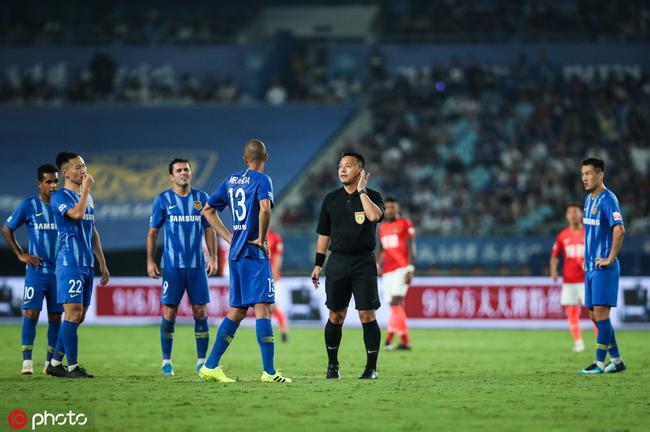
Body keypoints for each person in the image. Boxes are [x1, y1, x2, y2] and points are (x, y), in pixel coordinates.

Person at [199, 139, 292, 384]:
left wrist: (229, 237)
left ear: (244, 159)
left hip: (236, 255)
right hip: (254, 254)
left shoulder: (231, 180)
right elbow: (265, 209)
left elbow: (207, 210)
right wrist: (261, 238)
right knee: (264, 309)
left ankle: (210, 366)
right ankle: (269, 372)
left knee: (238, 311)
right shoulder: (263, 180)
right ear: (266, 157)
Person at [311, 151, 385, 380]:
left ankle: (371, 368)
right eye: (340, 166)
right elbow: (324, 234)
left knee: (367, 315)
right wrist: (318, 264)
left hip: (364, 262)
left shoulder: (373, 196)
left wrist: (362, 191)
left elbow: (374, 217)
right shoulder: (331, 199)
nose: (342, 170)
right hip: (338, 262)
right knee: (335, 315)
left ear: (360, 171)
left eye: (348, 166)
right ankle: (333, 366)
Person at [147, 158, 218, 376]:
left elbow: (209, 229)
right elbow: (153, 232)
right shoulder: (163, 199)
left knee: (200, 311)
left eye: (186, 169)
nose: (183, 173)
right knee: (169, 312)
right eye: (178, 170)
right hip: (172, 267)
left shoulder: (201, 198)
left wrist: (213, 258)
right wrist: (150, 261)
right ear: (171, 176)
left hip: (197, 266)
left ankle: (201, 361)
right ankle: (166, 362)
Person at [46, 152, 110, 378]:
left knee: (79, 317)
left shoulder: (87, 197)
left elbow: (92, 230)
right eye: (77, 167)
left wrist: (102, 262)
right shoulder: (59, 196)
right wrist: (86, 190)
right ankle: (72, 367)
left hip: (86, 264)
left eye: (83, 166)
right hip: (69, 262)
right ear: (64, 172)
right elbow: (77, 214)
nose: (83, 170)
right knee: (72, 315)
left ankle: (54, 363)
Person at [2, 164, 62, 374]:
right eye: (48, 182)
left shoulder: (63, 205)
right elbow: (7, 228)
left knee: (56, 317)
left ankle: (49, 363)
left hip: (59, 273)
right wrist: (21, 254)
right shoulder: (29, 205)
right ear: (39, 184)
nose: (53, 185)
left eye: (56, 181)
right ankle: (27, 362)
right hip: (37, 271)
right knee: (31, 313)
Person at [578, 157, 626, 374]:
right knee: (594, 316)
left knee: (601, 314)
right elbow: (591, 234)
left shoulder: (608, 199)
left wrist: (610, 258)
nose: (585, 178)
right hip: (590, 267)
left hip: (604, 269)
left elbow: (619, 229)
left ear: (600, 174)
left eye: (589, 174)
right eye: (582, 174)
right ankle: (616, 361)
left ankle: (598, 363)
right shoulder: (588, 199)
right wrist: (586, 257)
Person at [377, 197, 415, 351]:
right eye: (387, 208)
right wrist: (377, 264)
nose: (389, 210)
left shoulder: (405, 224)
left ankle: (388, 340)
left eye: (392, 207)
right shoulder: (382, 227)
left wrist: (410, 269)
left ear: (397, 209)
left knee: (395, 302)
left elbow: (411, 248)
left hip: (401, 268)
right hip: (387, 270)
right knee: (395, 306)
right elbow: (381, 249)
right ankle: (405, 341)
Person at [550, 202, 588, 352]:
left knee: (595, 312)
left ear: (581, 214)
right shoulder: (562, 235)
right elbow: (555, 255)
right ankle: (578, 342)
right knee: (571, 312)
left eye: (575, 211)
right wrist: (553, 270)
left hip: (586, 280)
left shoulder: (589, 233)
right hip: (569, 280)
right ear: (566, 216)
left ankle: (602, 342)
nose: (573, 215)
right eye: (570, 212)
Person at [267, 229, 289, 342]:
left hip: (271, 276)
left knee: (273, 305)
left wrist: (275, 274)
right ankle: (266, 333)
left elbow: (278, 256)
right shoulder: (254, 234)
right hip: (258, 276)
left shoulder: (275, 237)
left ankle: (283, 328)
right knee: (264, 306)